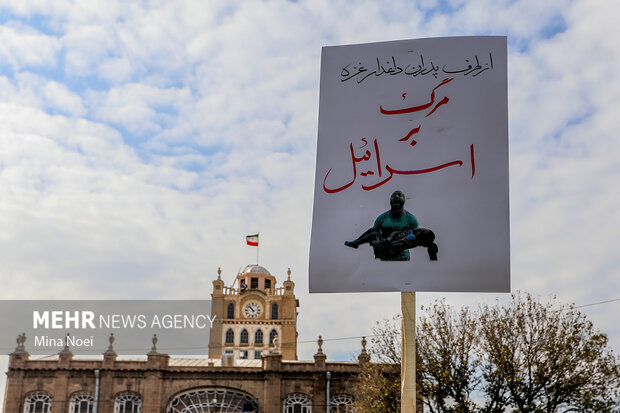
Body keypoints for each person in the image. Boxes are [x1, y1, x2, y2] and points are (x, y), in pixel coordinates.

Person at [344, 190, 438, 261]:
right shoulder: (382, 217)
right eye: (394, 195)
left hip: (401, 258)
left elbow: (414, 240)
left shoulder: (411, 220)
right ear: (390, 201)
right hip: (383, 256)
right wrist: (382, 242)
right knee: (373, 232)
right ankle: (356, 242)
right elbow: (376, 235)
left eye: (399, 195)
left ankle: (356, 243)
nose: (396, 196)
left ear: (404, 201)